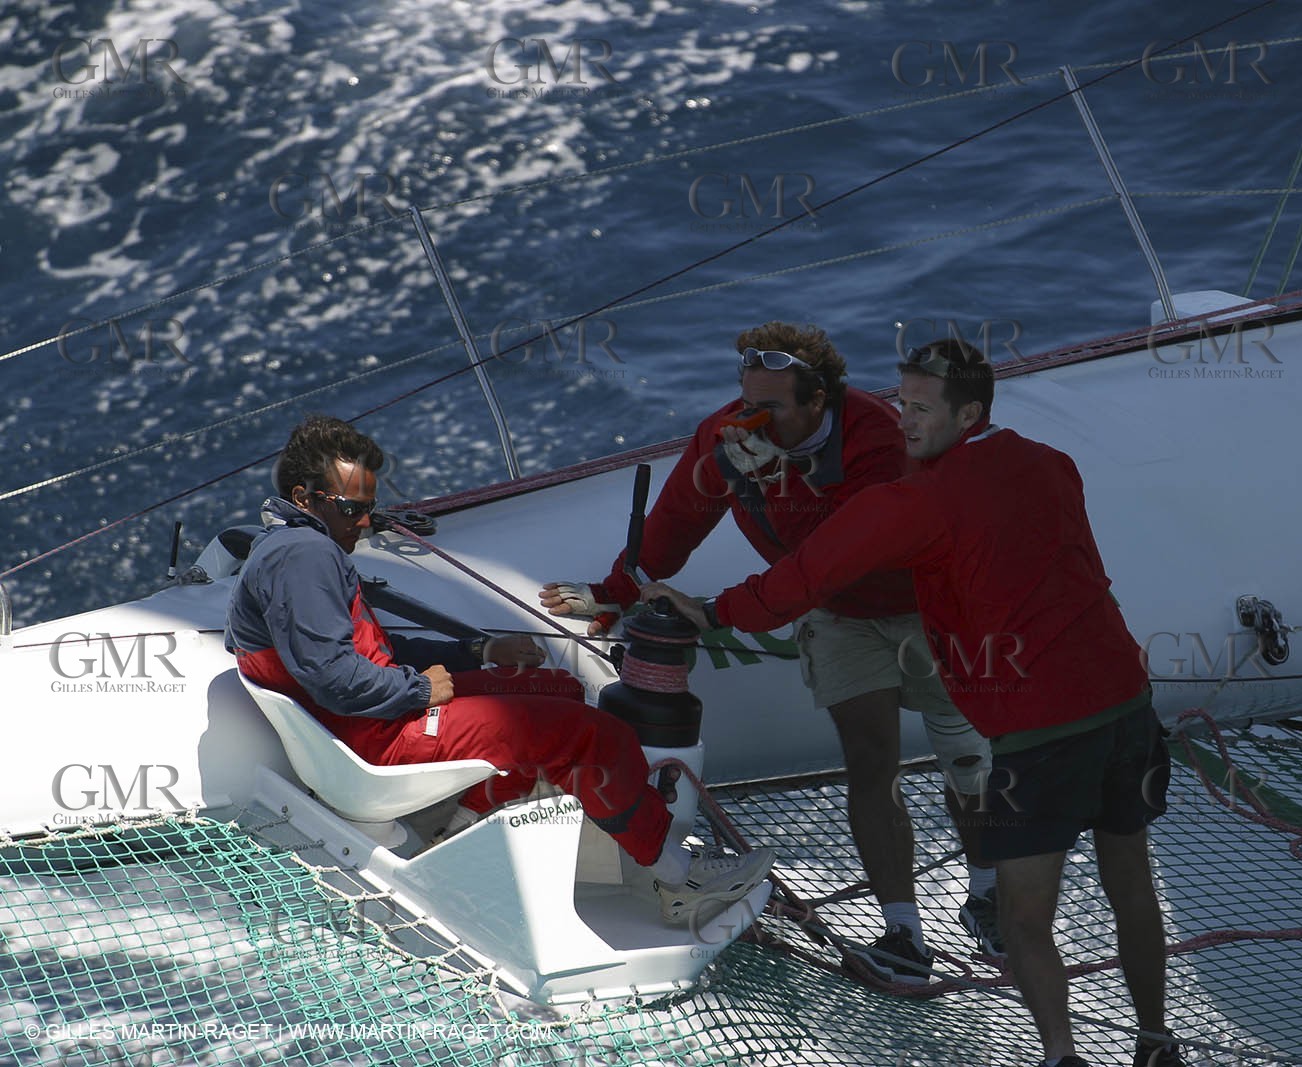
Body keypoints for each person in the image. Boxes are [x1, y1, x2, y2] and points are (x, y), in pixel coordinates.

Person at [641, 339, 1181, 1067]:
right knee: (1132, 889)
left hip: (1040, 733)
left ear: (970, 412)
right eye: (900, 403)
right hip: (1125, 704)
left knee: (1026, 923)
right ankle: (1155, 1043)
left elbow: (805, 578)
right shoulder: (1054, 463)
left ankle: (1061, 1056)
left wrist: (711, 610)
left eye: (922, 408)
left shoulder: (918, 500)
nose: (904, 420)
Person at [539, 322, 999, 983]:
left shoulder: (879, 438)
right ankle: (904, 932)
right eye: (745, 398)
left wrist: (774, 483)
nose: (748, 417)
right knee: (872, 758)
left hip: (929, 603)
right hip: (842, 618)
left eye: (771, 406)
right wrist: (618, 590)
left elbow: (840, 551)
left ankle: (987, 894)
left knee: (965, 755)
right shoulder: (730, 435)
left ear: (818, 402)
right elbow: (677, 521)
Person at [225, 414, 771, 924]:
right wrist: (418, 690)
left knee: (553, 686)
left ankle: (458, 829)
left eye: (371, 507)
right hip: (381, 731)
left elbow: (364, 651)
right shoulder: (305, 556)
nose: (365, 523)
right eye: (351, 509)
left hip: (369, 719)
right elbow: (335, 678)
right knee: (595, 737)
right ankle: (678, 884)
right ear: (303, 498)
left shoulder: (288, 546)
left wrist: (482, 653)